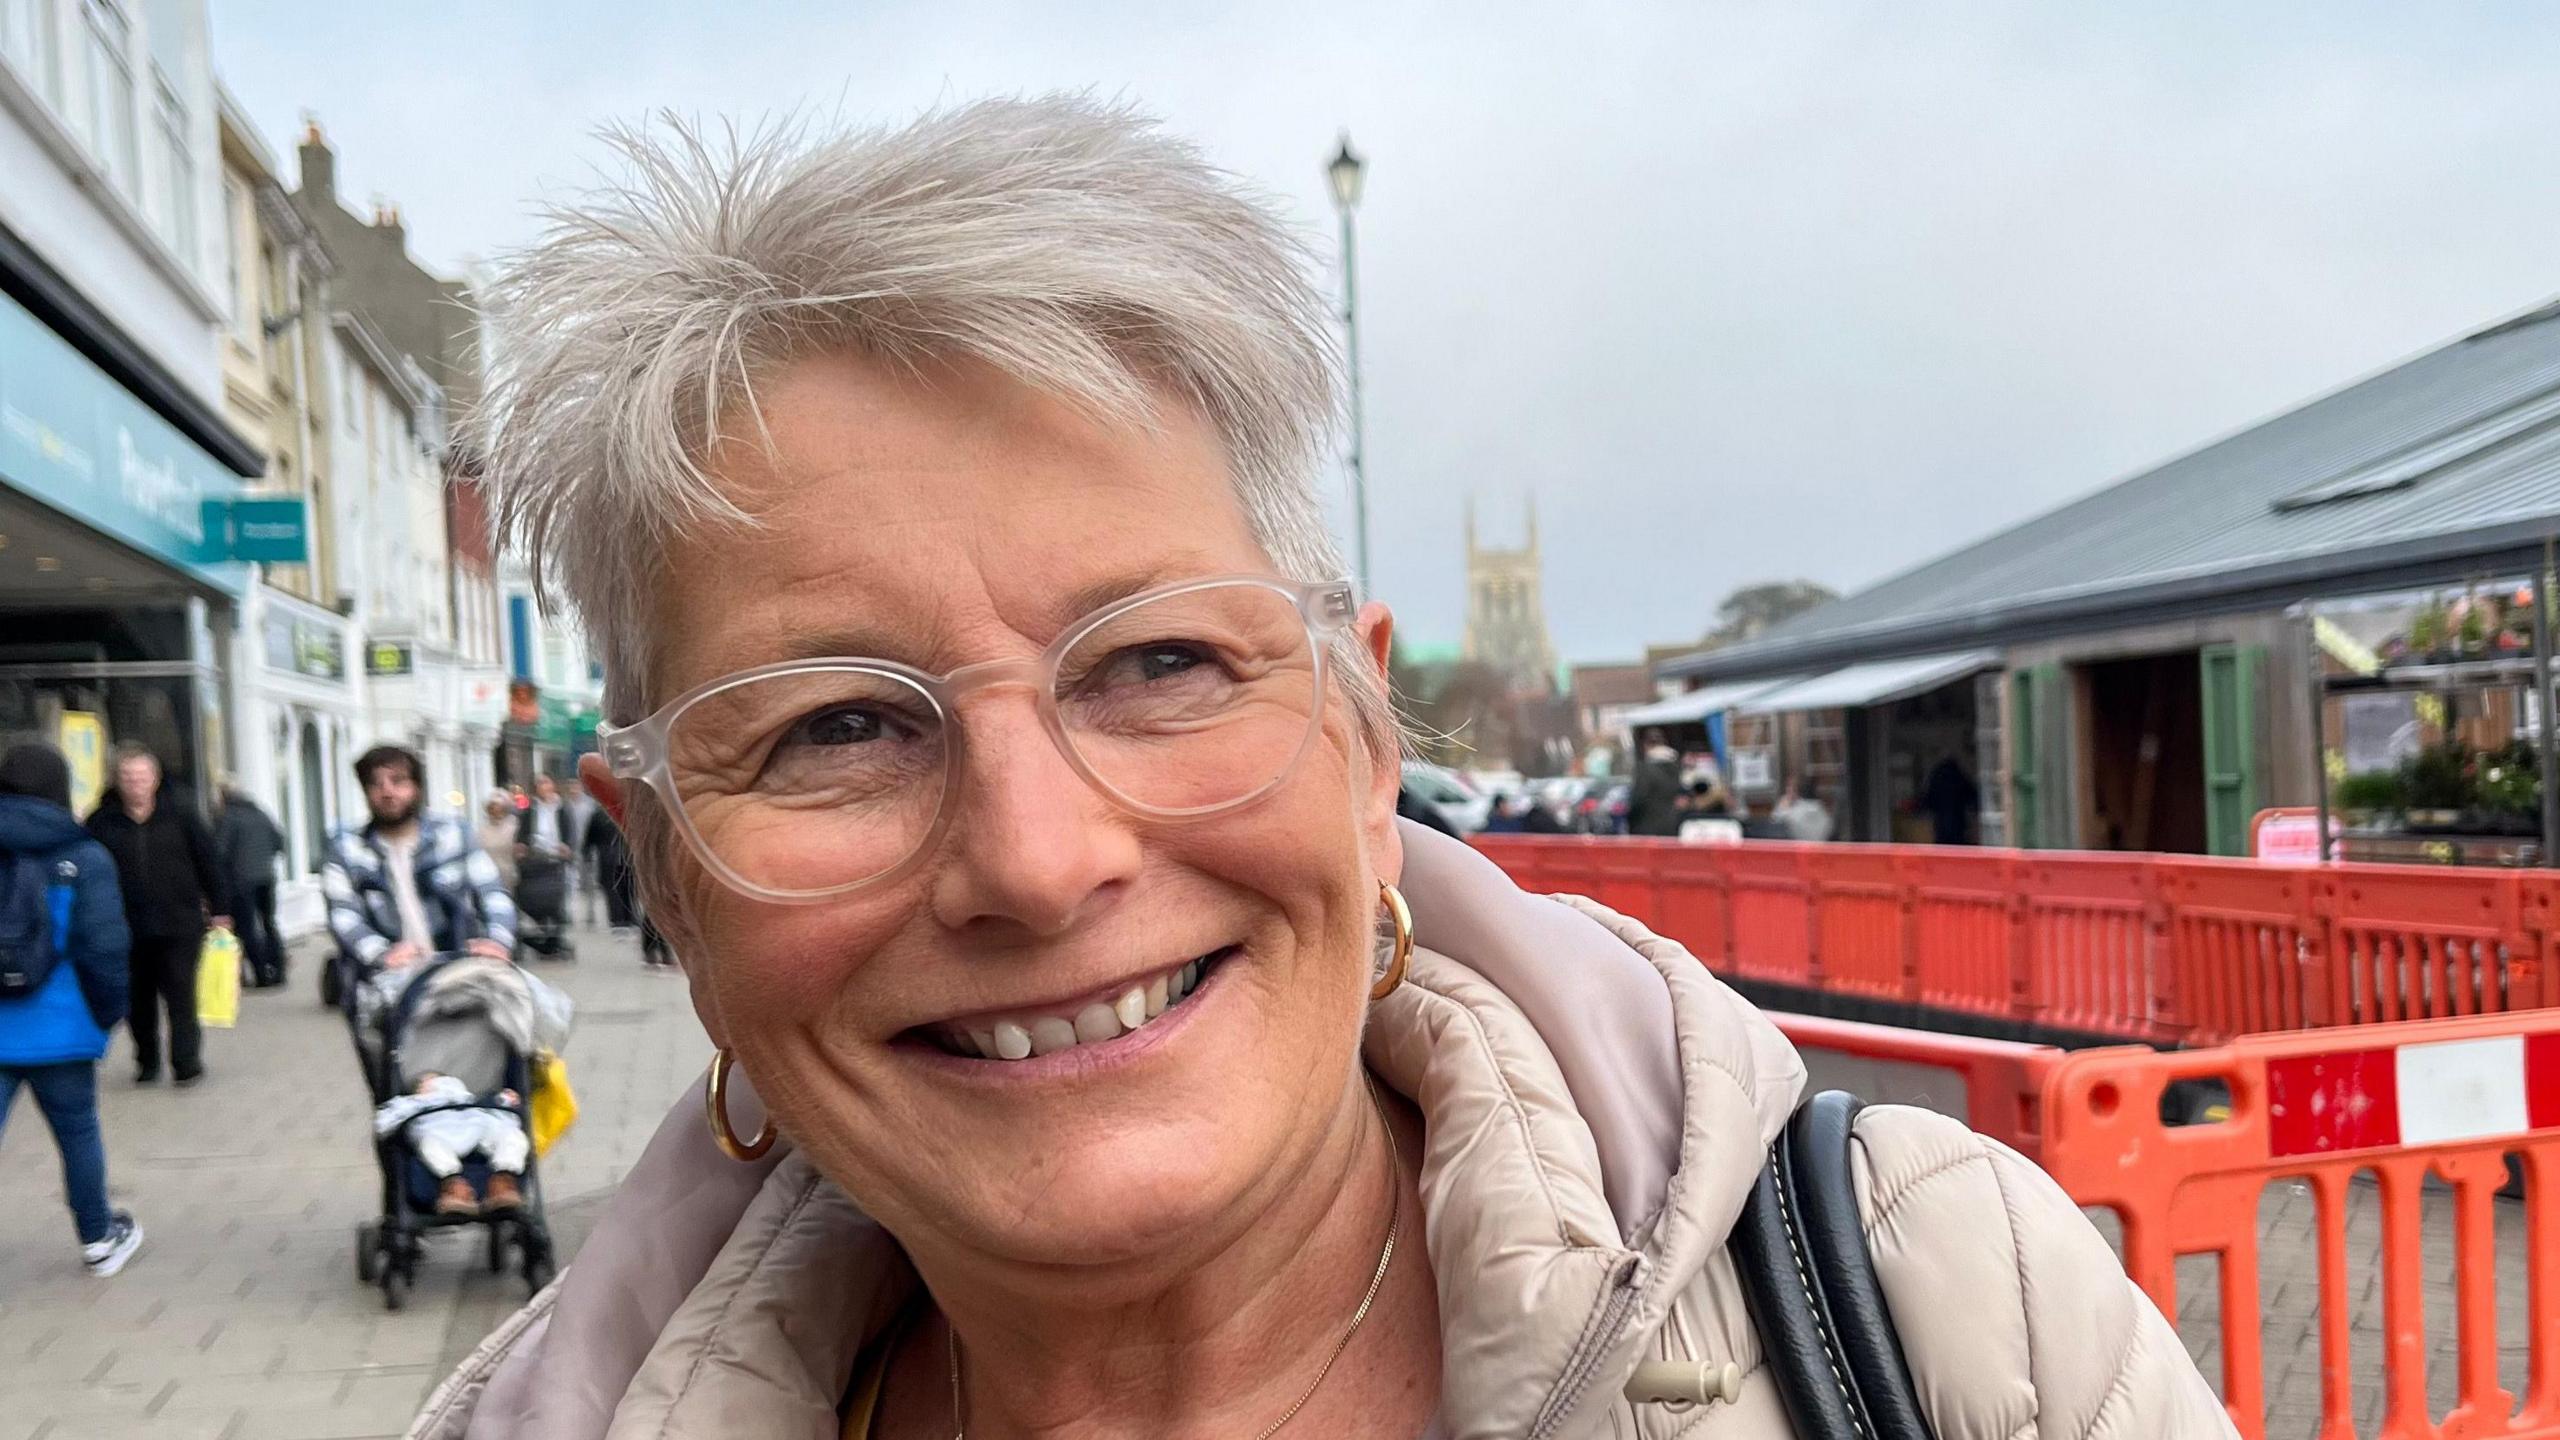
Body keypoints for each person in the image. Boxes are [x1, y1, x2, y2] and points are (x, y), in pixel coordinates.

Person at [409, 99, 2230, 1440]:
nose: (1040, 862)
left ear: (1364, 747)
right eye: (836, 729)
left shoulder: (1943, 1310)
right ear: (663, 878)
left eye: (1161, 664)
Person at [0, 741, 144, 1276]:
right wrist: (107, 1013)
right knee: (78, 1131)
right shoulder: (84, 854)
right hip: (62, 1024)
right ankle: (99, 1239)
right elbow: (105, 946)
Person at [83, 744, 227, 1087]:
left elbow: (209, 862)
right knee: (138, 1001)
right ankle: (147, 1060)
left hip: (179, 924)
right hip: (124, 927)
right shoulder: (101, 822)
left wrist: (221, 909)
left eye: (142, 777)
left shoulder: (181, 814)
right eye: (128, 777)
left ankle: (186, 1062)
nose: (136, 784)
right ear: (118, 781)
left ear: (155, 779)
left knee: (181, 996)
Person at [321, 746, 517, 989]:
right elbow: (343, 914)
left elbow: (492, 893)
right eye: (375, 784)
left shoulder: (454, 835)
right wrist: (381, 954)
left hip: (459, 975)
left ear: (417, 787)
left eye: (398, 781)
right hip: (387, 985)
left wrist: (497, 942)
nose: (387, 791)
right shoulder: (347, 849)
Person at [373, 1071, 529, 1216]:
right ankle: (455, 1186)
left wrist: (508, 1099)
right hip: (438, 1131)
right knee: (430, 1145)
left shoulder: (468, 1098)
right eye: (425, 1082)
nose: (435, 1083)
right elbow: (388, 1117)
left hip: (474, 1126)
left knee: (512, 1136)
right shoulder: (415, 1102)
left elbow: (500, 1105)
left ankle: (502, 1183)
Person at [213, 785, 288, 988]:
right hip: (266, 877)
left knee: (247, 928)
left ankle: (261, 974)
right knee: (269, 923)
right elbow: (280, 842)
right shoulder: (261, 814)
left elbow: (220, 851)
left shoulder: (229, 818)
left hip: (241, 880)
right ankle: (279, 970)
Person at [579, 803, 636, 930]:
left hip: (607, 857)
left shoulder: (598, 815)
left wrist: (586, 854)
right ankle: (629, 919)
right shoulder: (629, 814)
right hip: (627, 856)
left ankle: (617, 921)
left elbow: (589, 839)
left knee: (612, 890)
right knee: (628, 889)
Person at [1625, 728, 1685, 837]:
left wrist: (1629, 817)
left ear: (1646, 745)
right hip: (1672, 826)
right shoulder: (1676, 768)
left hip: (1646, 827)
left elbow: (1638, 798)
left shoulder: (1645, 770)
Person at [1922, 751, 1982, 845]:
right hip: (1958, 817)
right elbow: (1972, 795)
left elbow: (1929, 799)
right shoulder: (1959, 776)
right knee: (1958, 845)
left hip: (1940, 819)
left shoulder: (1936, 777)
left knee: (1942, 845)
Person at [476, 791, 521, 890]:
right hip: (488, 878)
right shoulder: (482, 830)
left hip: (512, 877)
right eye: (492, 808)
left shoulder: (515, 826)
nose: (496, 811)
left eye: (500, 808)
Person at [1772, 775, 1836, 843]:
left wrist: (1784, 809)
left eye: (1792, 788)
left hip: (1805, 846)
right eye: (1788, 787)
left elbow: (1777, 820)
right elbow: (1775, 821)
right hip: (1793, 845)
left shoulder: (1808, 807)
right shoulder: (1785, 803)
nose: (1789, 790)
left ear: (1798, 790)